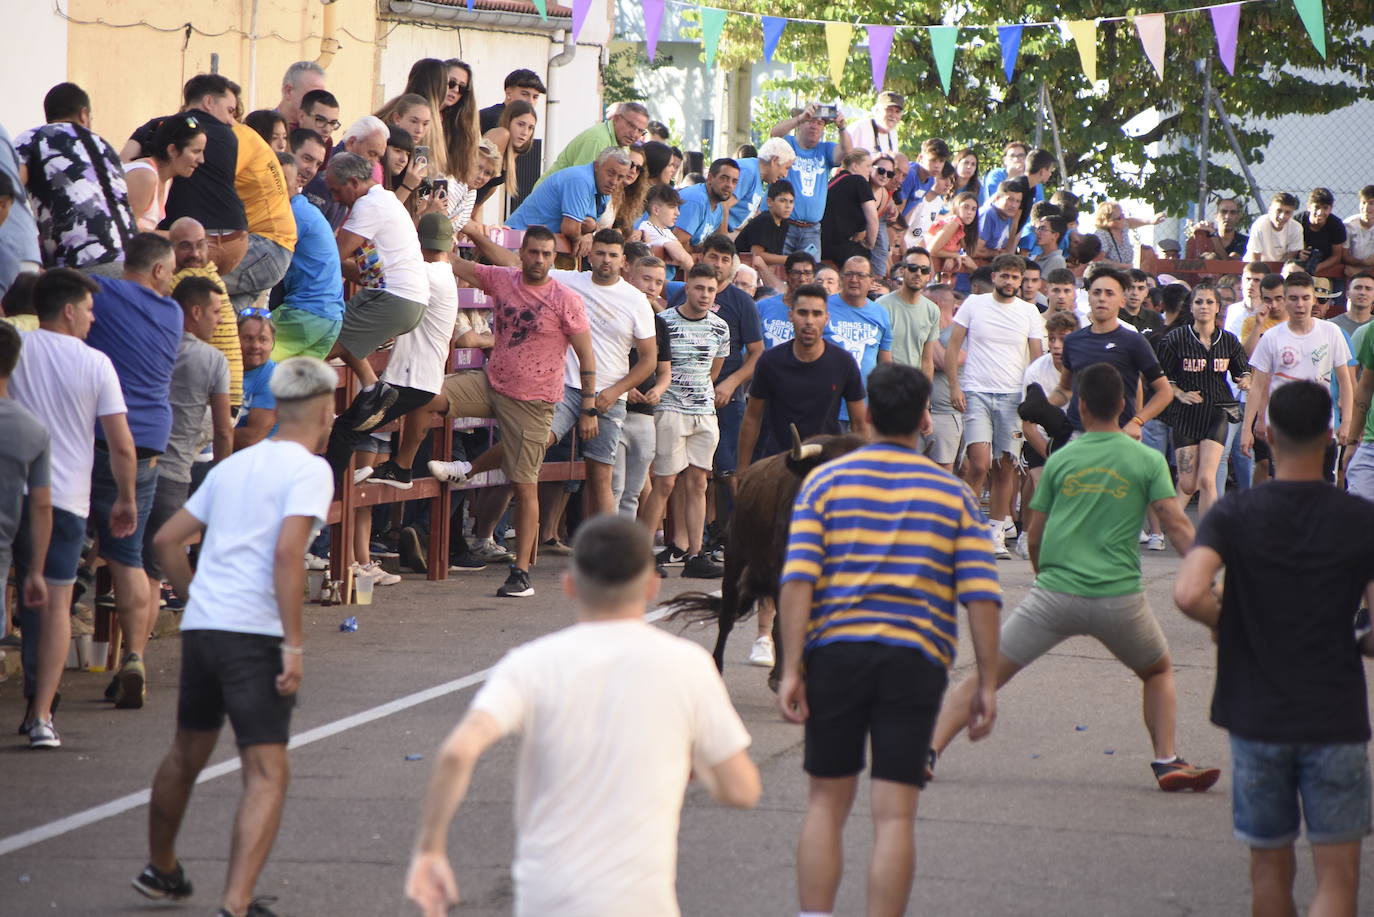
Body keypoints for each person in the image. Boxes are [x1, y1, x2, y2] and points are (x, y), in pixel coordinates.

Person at [404, 515, 759, 917]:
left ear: (570, 584)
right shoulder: (689, 665)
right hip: (640, 900)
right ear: (652, 585)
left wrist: (430, 850)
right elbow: (741, 790)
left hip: (546, 897)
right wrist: (692, 760)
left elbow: (457, 752)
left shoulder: (530, 663)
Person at [777, 361, 1002, 917]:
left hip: (836, 655)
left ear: (869, 415)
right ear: (924, 416)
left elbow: (798, 579)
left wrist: (791, 667)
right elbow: (981, 595)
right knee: (896, 813)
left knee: (826, 804)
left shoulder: (826, 482)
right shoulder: (951, 494)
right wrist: (987, 682)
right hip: (915, 660)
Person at [933, 362, 1220, 791]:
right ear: (1123, 406)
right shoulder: (1143, 459)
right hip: (1119, 597)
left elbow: (1035, 533)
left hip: (1054, 594)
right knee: (1157, 672)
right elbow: (1176, 526)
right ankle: (1166, 760)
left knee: (986, 673)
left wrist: (1041, 573)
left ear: (1080, 406)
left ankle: (927, 751)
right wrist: (1207, 579)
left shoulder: (1064, 458)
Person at [136, 357, 334, 917]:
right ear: (325, 412)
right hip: (255, 634)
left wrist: (197, 600)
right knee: (267, 770)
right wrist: (293, 643)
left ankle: (162, 867)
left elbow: (169, 543)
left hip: (206, 629)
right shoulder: (311, 470)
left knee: (186, 752)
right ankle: (236, 902)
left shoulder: (236, 465)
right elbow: (288, 553)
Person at [1175, 380, 1374, 917]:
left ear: (1266, 432)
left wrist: (1229, 621)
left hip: (1256, 712)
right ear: (1332, 434)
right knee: (1338, 875)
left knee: (1269, 870)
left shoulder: (1235, 514)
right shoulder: (1360, 519)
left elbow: (1189, 592)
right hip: (1334, 714)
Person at [427, 225, 593, 598]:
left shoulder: (565, 300)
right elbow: (458, 265)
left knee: (524, 484)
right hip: (491, 382)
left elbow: (587, 357)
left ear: (554, 258)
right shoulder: (504, 279)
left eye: (546, 254)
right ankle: (401, 468)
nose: (538, 260)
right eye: (532, 252)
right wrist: (436, 241)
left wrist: (590, 406)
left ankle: (521, 574)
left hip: (534, 400)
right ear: (523, 254)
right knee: (427, 394)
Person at [10, 269, 136, 747]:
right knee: (57, 604)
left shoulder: (14, 349)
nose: (92, 316)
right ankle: (41, 713)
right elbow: (121, 445)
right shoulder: (95, 364)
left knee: (17, 593)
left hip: (9, 490)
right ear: (68, 310)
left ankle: (31, 696)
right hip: (64, 499)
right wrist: (125, 498)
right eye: (87, 308)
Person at [457, 228, 657, 516]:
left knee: (601, 478)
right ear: (589, 255)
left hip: (608, 396)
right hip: (560, 386)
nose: (605, 260)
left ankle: (608, 556)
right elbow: (513, 265)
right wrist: (476, 233)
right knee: (529, 445)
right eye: (600, 253)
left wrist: (615, 392)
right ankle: (472, 485)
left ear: (623, 261)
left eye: (613, 255)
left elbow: (648, 361)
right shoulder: (568, 281)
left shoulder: (636, 300)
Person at [85, 234, 184, 709]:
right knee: (132, 558)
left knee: (88, 544)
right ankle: (135, 655)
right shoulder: (173, 314)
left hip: (101, 436)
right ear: (160, 271)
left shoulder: (101, 293)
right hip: (150, 442)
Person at [140, 275, 233, 658]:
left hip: (132, 464)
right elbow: (225, 431)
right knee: (150, 573)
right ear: (194, 312)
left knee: (125, 561)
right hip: (176, 471)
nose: (219, 321)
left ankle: (112, 648)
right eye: (214, 313)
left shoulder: (149, 344)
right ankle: (135, 655)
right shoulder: (212, 360)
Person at [945, 253, 1044, 557]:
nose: (1011, 282)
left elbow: (1038, 358)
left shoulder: (1029, 312)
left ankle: (996, 532)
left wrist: (1034, 399)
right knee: (977, 463)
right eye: (1005, 276)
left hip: (1014, 398)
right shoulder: (974, 304)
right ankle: (967, 529)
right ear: (994, 277)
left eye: (1016, 277)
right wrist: (955, 385)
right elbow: (952, 346)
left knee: (1006, 467)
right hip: (975, 392)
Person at [323, 152, 430, 430]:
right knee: (338, 330)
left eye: (336, 190)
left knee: (320, 347)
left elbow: (334, 257)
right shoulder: (385, 199)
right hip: (401, 297)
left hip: (393, 298)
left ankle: (300, 413)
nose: (335, 199)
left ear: (355, 182)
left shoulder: (368, 206)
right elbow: (359, 271)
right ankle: (373, 387)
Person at [638, 264, 731, 578]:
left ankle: (695, 554)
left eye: (710, 289)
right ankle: (641, 555)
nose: (704, 295)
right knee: (664, 483)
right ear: (687, 287)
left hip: (704, 412)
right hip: (669, 409)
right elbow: (655, 366)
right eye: (699, 288)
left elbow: (713, 372)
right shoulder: (663, 321)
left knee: (699, 483)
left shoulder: (721, 327)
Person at [1242, 271, 1354, 477]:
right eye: (1293, 298)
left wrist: (1346, 422)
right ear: (1285, 301)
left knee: (1321, 492)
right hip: (1282, 428)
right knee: (1286, 492)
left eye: (1305, 298)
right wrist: (1247, 429)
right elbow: (1258, 386)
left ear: (1313, 300)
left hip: (1321, 426)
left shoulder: (1331, 332)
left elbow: (1346, 382)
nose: (1300, 304)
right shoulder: (1270, 337)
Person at [16, 82, 134, 274]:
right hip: (132, 261)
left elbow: (9, 189)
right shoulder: (105, 146)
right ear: (84, 114)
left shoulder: (32, 139)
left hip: (80, 264)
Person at [0, 322, 53, 747]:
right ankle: (39, 714)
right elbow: (40, 503)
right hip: (10, 538)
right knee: (37, 621)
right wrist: (35, 570)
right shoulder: (32, 428)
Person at [1157, 282, 1250, 517]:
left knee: (1208, 478)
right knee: (1189, 484)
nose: (1204, 306)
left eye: (1210, 302)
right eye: (1199, 301)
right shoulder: (1175, 338)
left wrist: (1246, 379)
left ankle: (1208, 537)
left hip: (1218, 410)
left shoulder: (1228, 340)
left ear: (1218, 307)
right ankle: (1171, 524)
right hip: (1186, 413)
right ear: (1191, 306)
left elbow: (1243, 370)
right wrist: (1179, 393)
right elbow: (1161, 377)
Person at [271, 147, 344, 361]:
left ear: (297, 183)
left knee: (247, 358)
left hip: (306, 313)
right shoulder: (307, 210)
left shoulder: (291, 214)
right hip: (331, 319)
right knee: (295, 390)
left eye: (284, 179)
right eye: (273, 177)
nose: (278, 185)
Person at [222, 114, 297, 311]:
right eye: (275, 137)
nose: (281, 144)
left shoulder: (241, 140)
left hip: (266, 247)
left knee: (190, 280)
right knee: (222, 322)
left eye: (284, 137)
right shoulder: (259, 155)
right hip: (270, 251)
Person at [169, 217, 242, 411]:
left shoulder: (191, 278)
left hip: (217, 400)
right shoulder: (211, 274)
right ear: (172, 249)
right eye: (185, 246)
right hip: (226, 396)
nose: (195, 254)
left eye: (200, 246)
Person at [507, 146, 633, 258]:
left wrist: (591, 231)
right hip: (516, 244)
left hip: (540, 246)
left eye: (620, 177)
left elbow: (589, 226)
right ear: (596, 166)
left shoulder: (604, 187)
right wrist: (584, 236)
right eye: (610, 173)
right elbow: (570, 228)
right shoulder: (580, 180)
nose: (614, 182)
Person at [768, 103, 852, 258]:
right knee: (778, 272)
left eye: (820, 122)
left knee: (809, 276)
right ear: (800, 125)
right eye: (811, 120)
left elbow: (846, 150)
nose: (815, 125)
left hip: (811, 229)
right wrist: (800, 118)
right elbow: (774, 134)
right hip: (783, 224)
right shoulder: (788, 143)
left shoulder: (825, 149)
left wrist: (841, 127)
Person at [125, 116, 207, 232]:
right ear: (172, 150)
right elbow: (125, 232)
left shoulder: (166, 179)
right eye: (196, 151)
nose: (201, 160)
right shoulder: (144, 176)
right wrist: (175, 239)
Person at [876, 246, 939, 378]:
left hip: (914, 388)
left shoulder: (932, 310)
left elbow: (927, 360)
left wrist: (925, 395)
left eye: (924, 270)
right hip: (884, 385)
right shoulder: (881, 305)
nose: (918, 273)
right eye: (913, 268)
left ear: (929, 276)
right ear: (903, 271)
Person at [723, 137, 795, 233]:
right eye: (786, 168)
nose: (785, 175)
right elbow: (722, 205)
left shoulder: (758, 177)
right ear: (774, 160)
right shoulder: (748, 171)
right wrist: (723, 238)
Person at [819, 149, 877, 266]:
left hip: (822, 244)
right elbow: (873, 218)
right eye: (868, 166)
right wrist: (870, 244)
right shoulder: (858, 180)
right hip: (840, 247)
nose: (871, 170)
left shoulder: (833, 181)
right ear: (855, 166)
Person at [735, 180, 794, 289]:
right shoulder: (764, 220)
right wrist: (789, 259)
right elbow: (757, 255)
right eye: (783, 201)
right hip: (741, 267)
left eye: (791, 202)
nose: (788, 206)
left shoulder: (784, 223)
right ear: (770, 202)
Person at [672, 157, 739, 251]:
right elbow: (678, 243)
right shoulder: (697, 200)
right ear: (710, 178)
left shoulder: (719, 205)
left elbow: (720, 245)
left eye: (734, 181)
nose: (729, 185)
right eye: (724, 178)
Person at [235, 311, 278, 450]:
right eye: (248, 338)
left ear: (273, 343)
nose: (255, 345)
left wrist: (205, 434)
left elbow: (251, 438)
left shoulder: (273, 377)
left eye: (263, 339)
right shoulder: (224, 366)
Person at [1245, 192, 1304, 263]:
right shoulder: (1260, 225)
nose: (1282, 216)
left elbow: (1290, 258)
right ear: (1270, 209)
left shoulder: (1296, 228)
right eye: (1279, 211)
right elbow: (1254, 259)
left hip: (1280, 267)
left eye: (1287, 212)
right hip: (1256, 266)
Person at [844, 90, 904, 157]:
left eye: (897, 112)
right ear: (876, 110)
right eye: (889, 110)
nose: (893, 115)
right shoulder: (858, 128)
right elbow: (845, 159)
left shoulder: (893, 133)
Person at [273, 61, 327, 132]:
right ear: (288, 91)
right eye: (313, 95)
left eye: (321, 96)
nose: (319, 102)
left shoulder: (318, 131)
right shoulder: (263, 130)